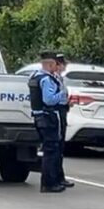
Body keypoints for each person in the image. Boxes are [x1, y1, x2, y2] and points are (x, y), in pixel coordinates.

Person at [28, 51, 68, 193]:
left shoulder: (34, 76)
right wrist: (62, 95)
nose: (56, 67)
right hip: (48, 117)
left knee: (49, 149)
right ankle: (49, 183)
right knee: (51, 150)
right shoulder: (46, 79)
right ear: (50, 64)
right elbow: (49, 99)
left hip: (40, 117)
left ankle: (50, 181)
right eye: (54, 64)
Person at [54, 53, 74, 188]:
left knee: (60, 147)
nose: (64, 67)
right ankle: (56, 177)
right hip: (57, 113)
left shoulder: (60, 79)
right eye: (62, 64)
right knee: (56, 146)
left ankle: (59, 177)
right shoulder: (53, 79)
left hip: (62, 111)